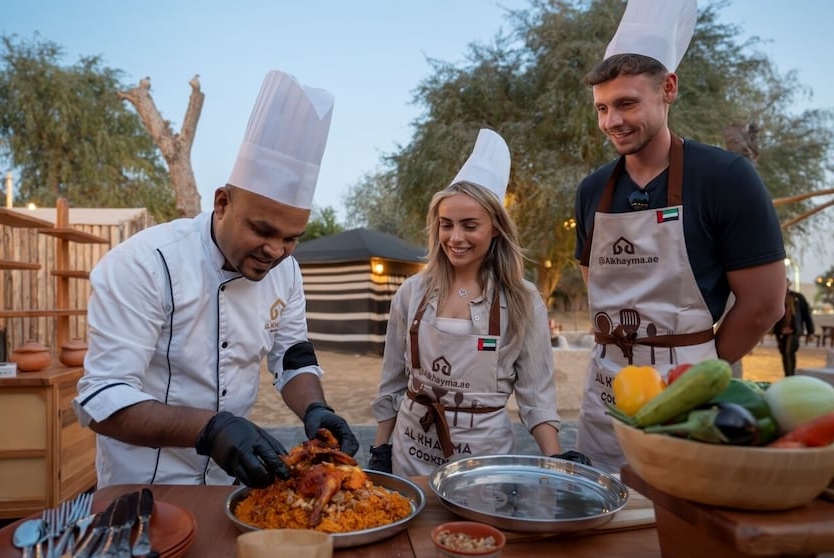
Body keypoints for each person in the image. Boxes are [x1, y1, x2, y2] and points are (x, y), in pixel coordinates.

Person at [73, 71, 359, 488]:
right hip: (145, 486)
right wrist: (210, 429)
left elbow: (292, 355)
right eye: (262, 230)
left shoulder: (287, 271)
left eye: (291, 238)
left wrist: (316, 409)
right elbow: (103, 401)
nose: (275, 251)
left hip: (229, 483)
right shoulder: (144, 264)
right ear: (222, 203)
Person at [573, 0, 786, 472]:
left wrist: (697, 371)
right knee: (602, 505)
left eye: (627, 104)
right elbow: (598, 288)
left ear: (668, 88)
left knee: (679, 505)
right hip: (606, 394)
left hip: (687, 393)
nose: (612, 122)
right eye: (602, 108)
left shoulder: (725, 177)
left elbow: (764, 305)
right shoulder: (592, 191)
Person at [369, 128, 585, 477]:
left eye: (470, 226)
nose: (455, 238)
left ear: (496, 227)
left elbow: (536, 396)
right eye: (446, 225)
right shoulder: (412, 293)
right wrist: (381, 449)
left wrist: (557, 457)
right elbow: (392, 382)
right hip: (411, 452)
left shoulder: (522, 301)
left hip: (484, 462)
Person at [773, 279, 815, 376]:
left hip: (794, 330)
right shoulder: (775, 297)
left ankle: (790, 375)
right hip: (780, 331)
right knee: (784, 353)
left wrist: (810, 332)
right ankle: (788, 374)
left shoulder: (798, 297)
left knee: (789, 352)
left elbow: (806, 315)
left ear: (789, 284)